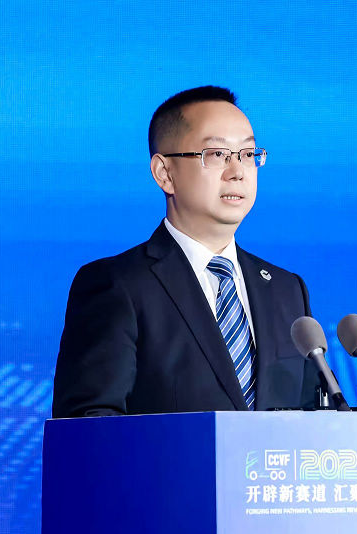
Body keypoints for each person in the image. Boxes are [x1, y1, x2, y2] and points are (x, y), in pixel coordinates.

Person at [52, 86, 319, 417]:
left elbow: (317, 417)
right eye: (217, 154)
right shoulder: (117, 285)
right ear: (164, 174)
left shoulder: (286, 289)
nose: (237, 172)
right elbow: (87, 425)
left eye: (248, 154)